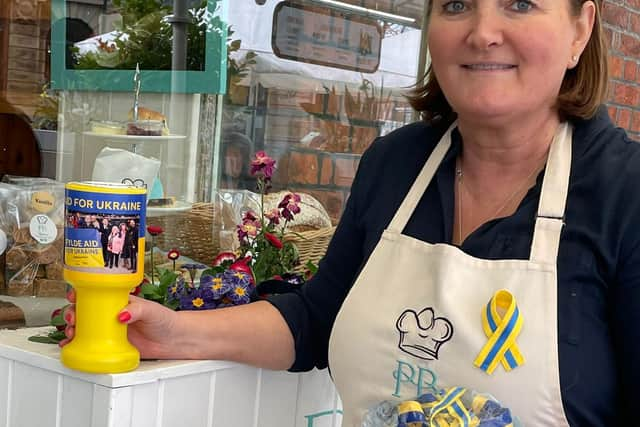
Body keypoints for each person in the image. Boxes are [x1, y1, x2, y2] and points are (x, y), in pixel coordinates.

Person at [61, 1, 640, 425]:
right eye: (457, 5)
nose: (483, 32)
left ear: (579, 30)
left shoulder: (624, 193)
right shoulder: (397, 164)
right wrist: (173, 331)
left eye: (519, 4)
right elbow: (317, 320)